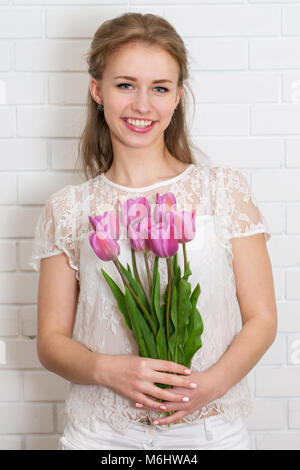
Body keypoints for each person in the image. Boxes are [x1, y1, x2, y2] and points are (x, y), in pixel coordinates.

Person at [29, 13, 277, 450]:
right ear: (97, 90)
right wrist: (110, 370)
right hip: (99, 438)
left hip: (209, 434)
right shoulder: (69, 208)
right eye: (125, 85)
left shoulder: (222, 189)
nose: (142, 106)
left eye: (159, 88)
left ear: (177, 97)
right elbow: (50, 341)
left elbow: (261, 319)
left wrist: (211, 385)